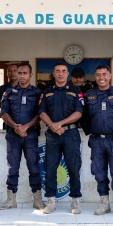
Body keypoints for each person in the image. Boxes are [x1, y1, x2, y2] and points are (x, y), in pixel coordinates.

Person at [81, 65, 113, 218]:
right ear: (95, 77)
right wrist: (89, 130)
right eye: (98, 75)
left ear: (110, 75)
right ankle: (105, 204)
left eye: (104, 74)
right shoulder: (89, 95)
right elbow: (82, 115)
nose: (101, 77)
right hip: (97, 141)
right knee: (99, 174)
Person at [38, 61, 84, 214]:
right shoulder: (46, 92)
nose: (61, 73)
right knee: (50, 168)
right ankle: (50, 201)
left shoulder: (76, 91)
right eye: (57, 71)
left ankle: (75, 201)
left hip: (70, 134)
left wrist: (60, 124)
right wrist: (52, 126)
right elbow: (42, 112)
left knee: (74, 167)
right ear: (54, 73)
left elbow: (79, 112)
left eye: (63, 71)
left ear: (67, 73)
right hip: (52, 135)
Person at [0, 63, 46, 211]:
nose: (22, 75)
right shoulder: (9, 92)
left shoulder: (37, 93)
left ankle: (37, 200)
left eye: (25, 73)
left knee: (34, 167)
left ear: (30, 75)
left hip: (30, 135)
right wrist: (16, 127)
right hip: (13, 135)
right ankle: (11, 199)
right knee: (12, 168)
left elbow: (40, 114)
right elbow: (4, 113)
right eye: (20, 73)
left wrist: (25, 127)